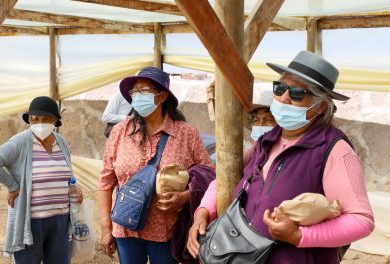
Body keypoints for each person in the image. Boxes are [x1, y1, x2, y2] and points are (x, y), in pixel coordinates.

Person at [187, 51, 374, 263]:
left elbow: (361, 220)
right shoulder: (266, 141)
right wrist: (203, 211)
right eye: (280, 88)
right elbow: (226, 176)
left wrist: (299, 236)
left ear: (320, 106)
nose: (284, 97)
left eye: (297, 93)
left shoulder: (334, 150)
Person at [98, 67, 213, 264]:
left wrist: (185, 197)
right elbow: (106, 181)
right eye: (135, 91)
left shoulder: (186, 133)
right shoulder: (120, 131)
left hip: (167, 230)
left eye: (144, 90)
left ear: (161, 97)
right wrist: (106, 228)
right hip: (126, 228)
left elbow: (210, 176)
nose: (137, 96)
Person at [0, 96, 82, 264]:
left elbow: (67, 174)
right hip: (31, 221)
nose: (39, 123)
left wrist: (75, 188)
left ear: (55, 121)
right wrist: (12, 186)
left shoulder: (61, 141)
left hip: (61, 220)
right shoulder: (21, 141)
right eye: (34, 119)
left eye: (45, 119)